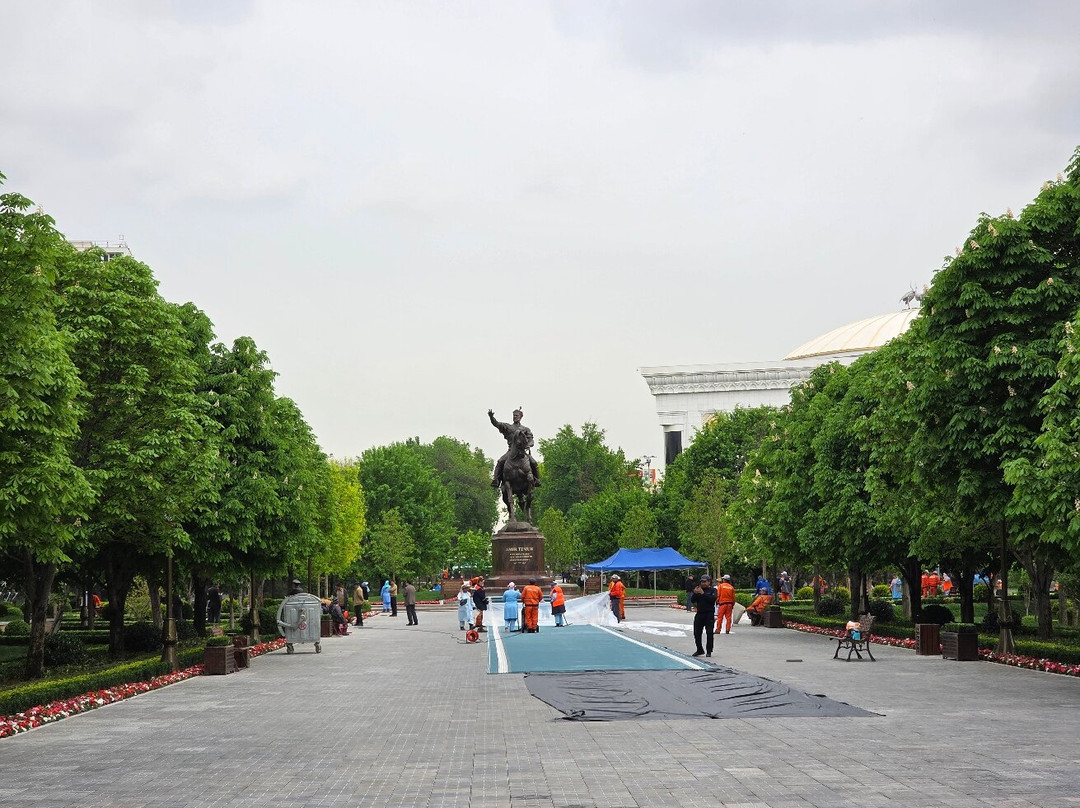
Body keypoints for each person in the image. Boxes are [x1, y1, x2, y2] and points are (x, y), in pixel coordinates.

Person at [489, 408, 541, 489]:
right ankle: (496, 480)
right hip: (511, 451)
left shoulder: (526, 429)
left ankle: (537, 480)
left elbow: (531, 440)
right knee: (500, 461)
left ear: (521, 417)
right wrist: (491, 417)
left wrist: (528, 445)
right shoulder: (508, 427)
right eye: (514, 415)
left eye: (517, 415)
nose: (515, 417)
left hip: (522, 452)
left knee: (533, 462)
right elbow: (497, 424)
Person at [691, 574, 718, 657]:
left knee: (709, 633)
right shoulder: (699, 590)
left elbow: (712, 600)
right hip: (700, 614)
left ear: (709, 582)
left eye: (704, 582)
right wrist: (695, 593)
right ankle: (699, 649)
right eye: (702, 582)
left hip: (709, 614)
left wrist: (703, 593)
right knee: (696, 632)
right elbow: (692, 600)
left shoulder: (713, 590)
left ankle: (709, 650)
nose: (703, 583)